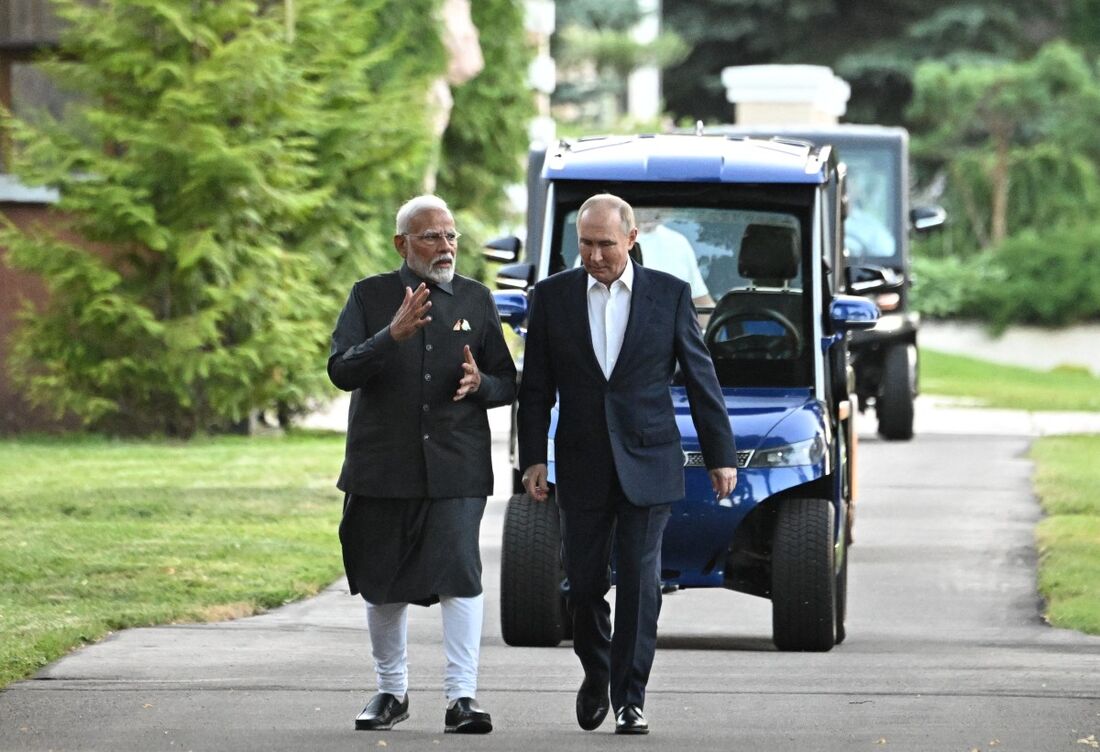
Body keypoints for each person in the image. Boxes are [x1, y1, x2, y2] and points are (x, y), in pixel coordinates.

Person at [517, 194, 737, 735]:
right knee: (585, 584)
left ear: (632, 239)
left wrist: (720, 455)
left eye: (605, 244)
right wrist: (532, 460)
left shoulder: (670, 295)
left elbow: (701, 378)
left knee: (641, 583)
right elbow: (536, 388)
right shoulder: (551, 298)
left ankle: (629, 698)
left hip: (650, 457)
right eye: (586, 244)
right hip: (582, 461)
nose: (593, 255)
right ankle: (598, 672)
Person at [327, 195, 516, 735]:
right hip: (382, 467)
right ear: (401, 243)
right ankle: (392, 690)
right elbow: (341, 370)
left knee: (460, 574)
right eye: (431, 236)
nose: (445, 245)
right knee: (382, 579)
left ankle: (462, 699)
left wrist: (483, 384)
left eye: (451, 235)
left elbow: (508, 381)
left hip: (456, 467)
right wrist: (392, 336)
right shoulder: (369, 296)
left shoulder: (477, 300)